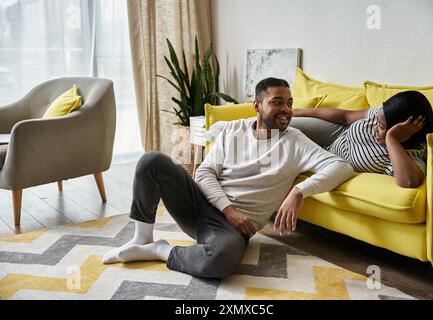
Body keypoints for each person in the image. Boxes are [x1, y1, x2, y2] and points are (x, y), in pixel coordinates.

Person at [102, 77, 355, 278]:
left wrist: (299, 191)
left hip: (230, 230)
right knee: (152, 160)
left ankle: (160, 250)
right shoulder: (234, 130)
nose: (286, 110)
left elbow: (341, 166)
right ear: (256, 105)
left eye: (289, 103)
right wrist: (229, 208)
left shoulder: (295, 141)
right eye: (277, 102)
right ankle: (142, 239)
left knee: (221, 260)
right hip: (200, 205)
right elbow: (204, 172)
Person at [291, 91, 433, 188]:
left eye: (382, 127)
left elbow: (409, 182)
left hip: (328, 157)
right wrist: (300, 112)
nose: (374, 128)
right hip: (337, 133)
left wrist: (392, 139)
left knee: (285, 145)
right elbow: (346, 117)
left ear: (405, 132)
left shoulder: (411, 158)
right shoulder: (383, 115)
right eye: (377, 121)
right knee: (280, 124)